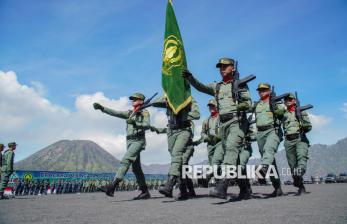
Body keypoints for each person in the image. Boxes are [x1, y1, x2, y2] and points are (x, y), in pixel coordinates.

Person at [182, 58, 253, 199]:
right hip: (224, 125)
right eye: (220, 67)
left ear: (232, 68)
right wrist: (191, 78)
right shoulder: (217, 86)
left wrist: (241, 105)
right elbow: (201, 87)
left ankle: (222, 186)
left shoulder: (240, 84)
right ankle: (245, 189)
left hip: (237, 122)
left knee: (231, 150)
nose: (222, 69)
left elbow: (249, 103)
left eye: (225, 66)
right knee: (235, 159)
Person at [94, 92, 151, 200]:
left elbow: (147, 125)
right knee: (136, 169)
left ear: (141, 101)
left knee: (126, 160)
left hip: (138, 141)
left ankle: (112, 186)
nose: (132, 100)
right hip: (129, 142)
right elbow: (117, 113)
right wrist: (102, 108)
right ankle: (145, 192)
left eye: (135, 99)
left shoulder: (145, 112)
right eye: (132, 99)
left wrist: (135, 123)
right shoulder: (130, 113)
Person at [150, 96, 200, 198]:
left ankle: (170, 184)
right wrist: (168, 97)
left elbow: (197, 114)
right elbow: (154, 103)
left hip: (185, 138)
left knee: (179, 160)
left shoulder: (189, 99)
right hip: (172, 132)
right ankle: (186, 191)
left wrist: (181, 114)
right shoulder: (170, 98)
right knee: (180, 165)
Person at [277, 93, 312, 195]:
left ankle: (299, 172)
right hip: (288, 141)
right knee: (292, 165)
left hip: (300, 138)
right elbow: (276, 115)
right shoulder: (283, 114)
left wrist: (303, 124)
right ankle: (300, 186)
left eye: (290, 99)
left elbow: (309, 126)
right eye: (286, 100)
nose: (287, 101)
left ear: (294, 101)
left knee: (302, 157)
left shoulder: (301, 111)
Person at [253, 83, 283, 197]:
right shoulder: (257, 105)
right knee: (270, 161)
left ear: (269, 91)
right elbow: (246, 109)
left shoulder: (276, 102)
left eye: (264, 90)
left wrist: (276, 107)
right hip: (260, 133)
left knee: (268, 150)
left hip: (273, 131)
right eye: (260, 90)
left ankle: (263, 169)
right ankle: (277, 187)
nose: (261, 92)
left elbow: (281, 113)